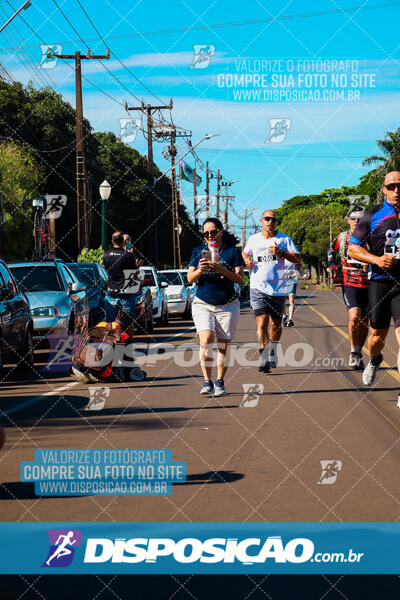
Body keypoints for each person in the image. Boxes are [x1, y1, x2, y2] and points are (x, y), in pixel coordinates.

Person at [348, 171, 400, 388]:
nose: (396, 190)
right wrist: (377, 260)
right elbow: (352, 248)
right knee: (377, 338)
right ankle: (375, 359)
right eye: (392, 186)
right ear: (384, 189)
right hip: (380, 282)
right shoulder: (373, 215)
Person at [187, 218, 244, 396]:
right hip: (203, 302)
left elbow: (240, 279)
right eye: (205, 233)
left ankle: (219, 382)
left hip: (227, 304)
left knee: (223, 346)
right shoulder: (198, 252)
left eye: (212, 232)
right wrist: (200, 270)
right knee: (205, 340)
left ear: (220, 231)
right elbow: (190, 279)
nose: (209, 235)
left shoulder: (233, 252)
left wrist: (221, 269)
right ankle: (207, 381)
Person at [242, 209, 301, 373]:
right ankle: (264, 358)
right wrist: (247, 260)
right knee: (261, 323)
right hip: (257, 287)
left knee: (275, 324)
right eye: (267, 219)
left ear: (276, 222)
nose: (270, 222)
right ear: (261, 221)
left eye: (273, 220)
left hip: (278, 289)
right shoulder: (253, 239)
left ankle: (273, 349)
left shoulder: (284, 239)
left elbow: (297, 258)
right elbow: (245, 252)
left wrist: (281, 253)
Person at [328, 205, 369, 369]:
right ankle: (353, 351)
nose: (357, 221)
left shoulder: (371, 237)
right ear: (348, 220)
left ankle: (359, 351)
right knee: (354, 316)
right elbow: (330, 252)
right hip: (349, 281)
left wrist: (371, 265)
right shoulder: (342, 238)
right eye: (353, 218)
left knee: (365, 320)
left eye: (360, 218)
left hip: (369, 282)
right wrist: (333, 268)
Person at [102, 231, 139, 329]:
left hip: (111, 293)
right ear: (123, 241)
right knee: (128, 322)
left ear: (112, 241)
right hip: (126, 294)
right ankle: (127, 341)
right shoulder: (128, 256)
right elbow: (134, 273)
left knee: (110, 321)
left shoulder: (106, 255)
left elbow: (108, 271)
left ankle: (112, 340)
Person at [282, 260, 299, 328]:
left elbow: (299, 266)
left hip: (292, 280)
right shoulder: (279, 255)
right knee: (282, 301)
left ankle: (290, 319)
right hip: (281, 280)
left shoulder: (293, 253)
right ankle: (284, 316)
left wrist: (295, 274)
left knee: (291, 300)